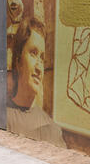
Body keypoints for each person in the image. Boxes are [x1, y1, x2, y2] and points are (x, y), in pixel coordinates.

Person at [7, 17, 66, 147]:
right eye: (33, 53)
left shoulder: (52, 130)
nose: (39, 67)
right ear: (18, 61)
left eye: (42, 58)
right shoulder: (2, 117)